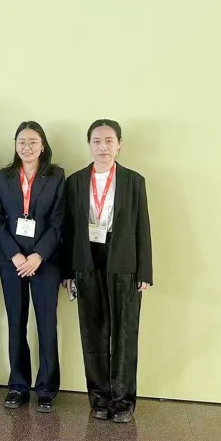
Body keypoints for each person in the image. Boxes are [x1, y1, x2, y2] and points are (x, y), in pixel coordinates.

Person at [63, 119, 152, 423]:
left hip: (124, 259)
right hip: (86, 257)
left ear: (119, 144)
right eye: (97, 141)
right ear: (89, 144)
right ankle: (99, 398)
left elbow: (142, 226)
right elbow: (69, 229)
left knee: (125, 332)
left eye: (109, 141)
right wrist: (68, 271)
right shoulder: (75, 181)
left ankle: (123, 401)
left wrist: (144, 271)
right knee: (93, 331)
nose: (103, 147)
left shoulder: (133, 180)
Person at [0, 121, 65, 413]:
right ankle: (17, 385)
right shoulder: (4, 176)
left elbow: (59, 220)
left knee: (46, 325)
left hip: (45, 263)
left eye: (33, 142)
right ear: (15, 145)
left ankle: (46, 389)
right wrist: (15, 255)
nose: (27, 147)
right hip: (12, 262)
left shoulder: (56, 176)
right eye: (21, 141)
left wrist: (38, 256)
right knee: (16, 323)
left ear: (43, 146)